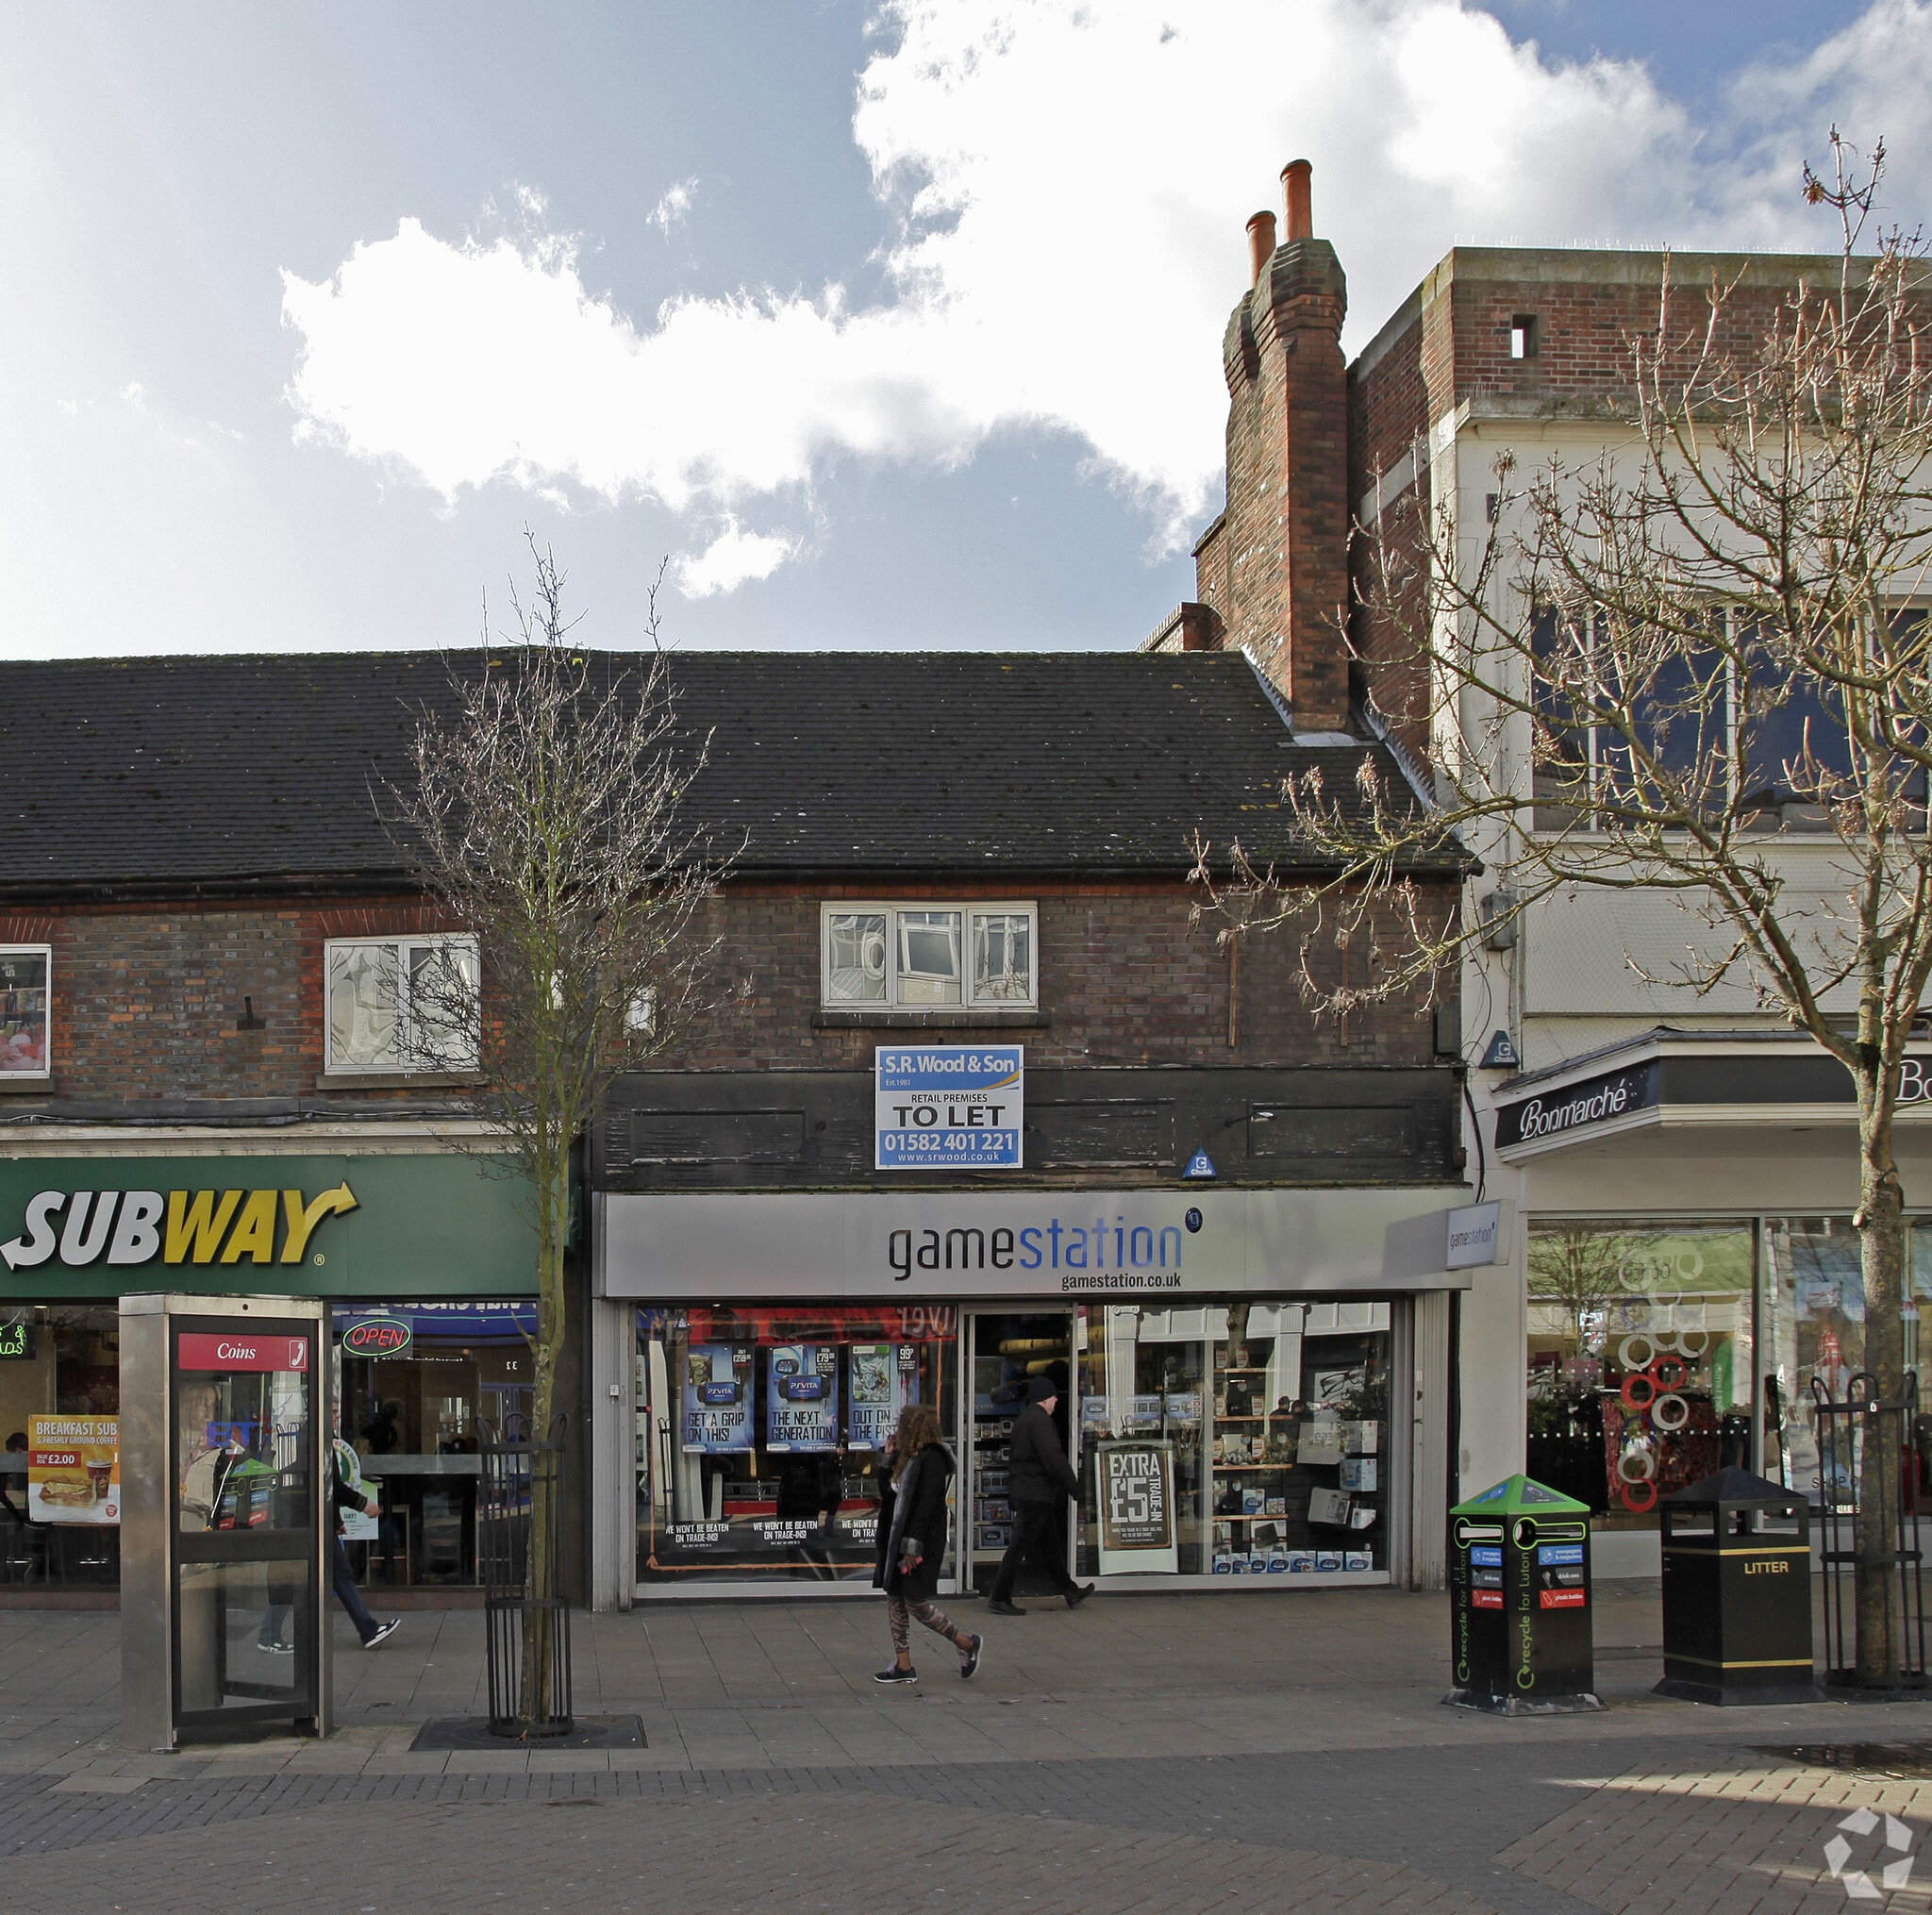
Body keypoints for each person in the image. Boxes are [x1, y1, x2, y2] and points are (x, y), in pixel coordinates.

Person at [259, 1412, 398, 1653]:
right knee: (293, 1577)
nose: (337, 1416)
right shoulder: (313, 1440)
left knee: (337, 1575)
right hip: (303, 1521)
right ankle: (269, 1634)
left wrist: (335, 1519)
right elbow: (327, 1485)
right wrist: (363, 1504)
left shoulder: (318, 1439)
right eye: (332, 1411)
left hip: (313, 1520)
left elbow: (326, 1486)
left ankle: (368, 1629)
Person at [872, 1403, 982, 1685]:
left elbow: (926, 1506)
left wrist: (912, 1548)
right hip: (896, 1540)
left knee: (915, 1602)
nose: (898, 1430)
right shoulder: (906, 1456)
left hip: (917, 1543)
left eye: (903, 1425)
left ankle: (966, 1642)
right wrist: (886, 1461)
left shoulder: (931, 1459)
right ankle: (903, 1665)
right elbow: (888, 1495)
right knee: (895, 1597)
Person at [987, 1376, 1092, 1616]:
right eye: (1054, 1396)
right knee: (1018, 1547)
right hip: (1036, 1494)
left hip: (1030, 1492)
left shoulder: (1025, 1420)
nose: (1057, 1400)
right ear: (1045, 1398)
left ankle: (1070, 1590)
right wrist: (1073, 1487)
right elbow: (1053, 1456)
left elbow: (1018, 1460)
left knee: (1051, 1546)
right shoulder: (1040, 1421)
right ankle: (999, 1596)